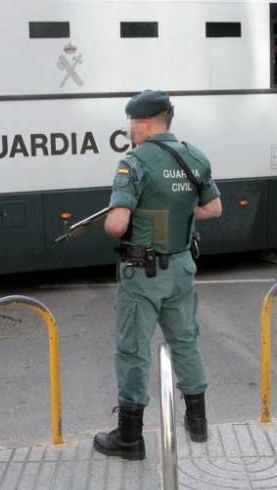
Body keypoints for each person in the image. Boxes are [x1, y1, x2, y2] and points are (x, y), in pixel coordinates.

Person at [93, 89, 223, 460]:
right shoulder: (194, 156)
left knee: (133, 351)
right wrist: (175, 216)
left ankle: (130, 437)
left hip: (143, 273)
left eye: (132, 122)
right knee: (185, 342)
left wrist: (119, 217)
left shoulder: (134, 161)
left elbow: (117, 225)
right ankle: (197, 423)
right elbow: (213, 208)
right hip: (182, 267)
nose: (130, 129)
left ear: (144, 123)